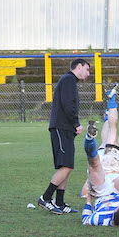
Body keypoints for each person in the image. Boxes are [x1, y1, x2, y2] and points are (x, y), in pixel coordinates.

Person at [38, 58, 90, 214]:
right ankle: (45, 198)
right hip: (61, 128)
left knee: (66, 166)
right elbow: (68, 104)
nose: (88, 74)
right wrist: (76, 124)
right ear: (79, 67)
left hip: (65, 129)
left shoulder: (70, 81)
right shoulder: (68, 80)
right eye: (87, 69)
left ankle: (59, 203)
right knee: (67, 166)